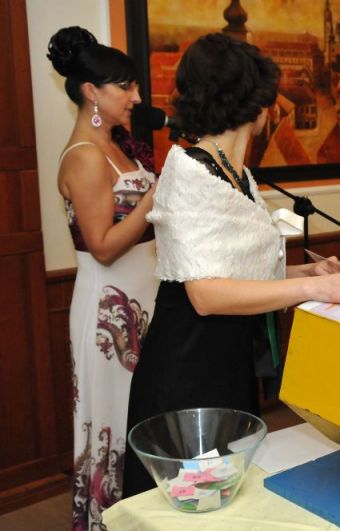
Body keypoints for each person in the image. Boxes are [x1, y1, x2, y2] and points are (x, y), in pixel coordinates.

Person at [122, 33, 340, 498]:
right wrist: (314, 291)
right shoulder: (188, 171)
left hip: (227, 356)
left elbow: (236, 274)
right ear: (257, 104)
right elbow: (206, 294)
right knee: (191, 500)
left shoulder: (235, 173)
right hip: (188, 365)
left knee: (225, 489)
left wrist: (308, 274)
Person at [47, 26, 158, 530]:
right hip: (108, 315)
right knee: (113, 422)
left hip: (144, 303)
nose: (136, 96)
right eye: (125, 87)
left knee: (141, 417)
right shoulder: (85, 156)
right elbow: (105, 246)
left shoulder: (118, 147)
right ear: (92, 91)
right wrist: (156, 197)